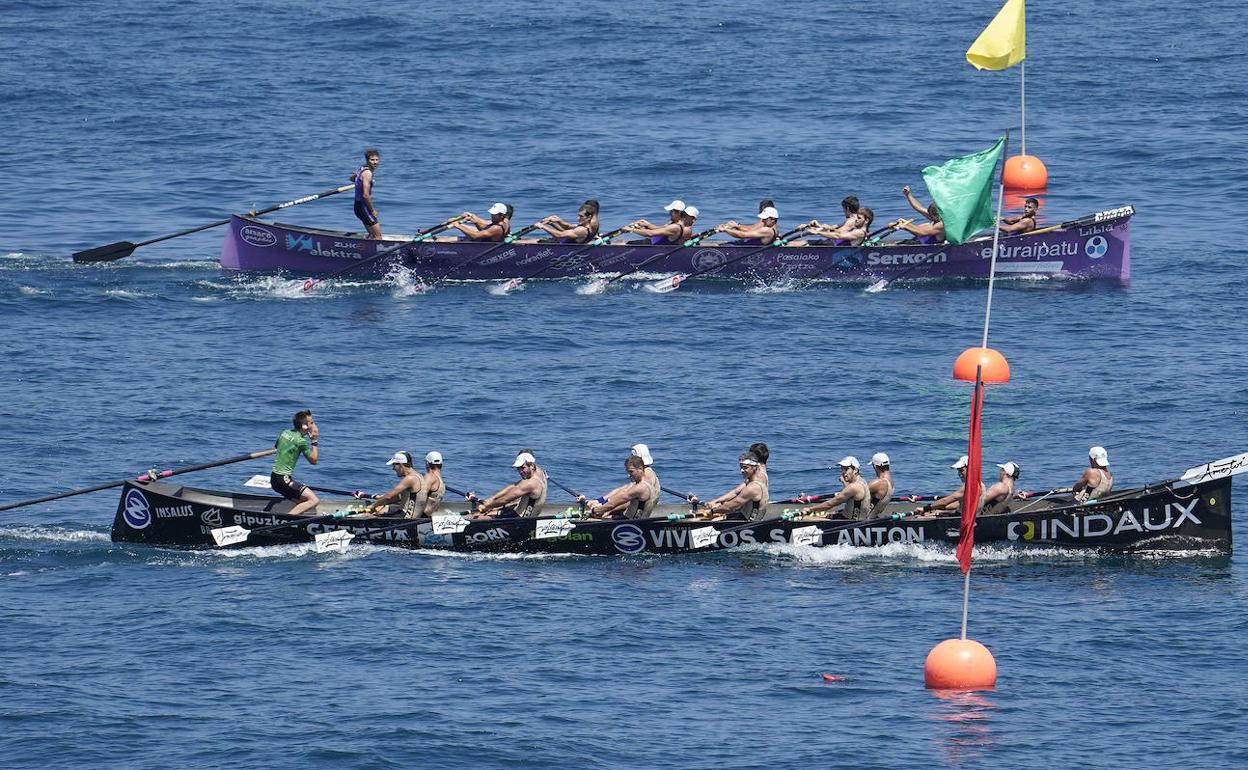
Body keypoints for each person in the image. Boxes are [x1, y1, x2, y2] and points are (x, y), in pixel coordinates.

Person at [691, 450, 769, 521]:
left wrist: (712, 511)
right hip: (743, 515)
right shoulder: (752, 481)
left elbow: (729, 507)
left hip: (747, 523)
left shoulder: (752, 488)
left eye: (745, 468)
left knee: (702, 519)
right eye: (741, 467)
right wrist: (716, 502)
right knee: (708, 515)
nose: (742, 470)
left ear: (754, 468)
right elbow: (735, 493)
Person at [470, 451, 548, 518]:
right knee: (493, 509)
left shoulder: (531, 483)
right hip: (528, 516)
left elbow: (505, 499)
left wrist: (487, 506)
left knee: (478, 517)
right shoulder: (540, 472)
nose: (520, 471)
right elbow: (513, 486)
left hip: (520, 521)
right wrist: (491, 500)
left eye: (522, 468)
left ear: (531, 466)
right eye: (518, 468)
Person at [271, 409, 319, 516]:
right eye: (312, 423)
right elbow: (314, 460)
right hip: (284, 480)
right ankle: (286, 520)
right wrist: (314, 441)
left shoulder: (285, 432)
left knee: (304, 503)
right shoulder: (301, 441)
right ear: (304, 426)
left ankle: (294, 519)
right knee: (314, 500)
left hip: (274, 479)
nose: (314, 425)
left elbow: (277, 446)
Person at [584, 456, 656, 519]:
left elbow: (612, 504)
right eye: (628, 472)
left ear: (640, 469)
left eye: (631, 472)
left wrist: (593, 510)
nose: (629, 475)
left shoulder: (640, 488)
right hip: (636, 518)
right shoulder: (647, 481)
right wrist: (602, 504)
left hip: (632, 523)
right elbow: (623, 493)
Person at [802, 456, 872, 519]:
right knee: (826, 515)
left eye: (846, 469)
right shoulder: (862, 481)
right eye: (842, 469)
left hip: (851, 522)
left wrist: (810, 509)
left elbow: (830, 504)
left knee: (806, 518)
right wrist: (844, 482)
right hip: (855, 517)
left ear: (855, 470)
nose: (843, 472)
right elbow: (849, 494)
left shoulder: (853, 487)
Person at [915, 455, 985, 516]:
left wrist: (925, 508)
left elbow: (945, 501)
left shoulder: (969, 486)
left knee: (922, 517)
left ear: (970, 469)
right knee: (935, 513)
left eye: (961, 470)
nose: (959, 474)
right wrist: (938, 508)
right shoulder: (980, 484)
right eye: (958, 471)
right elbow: (957, 504)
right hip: (967, 516)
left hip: (963, 519)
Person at [366, 451, 427, 518]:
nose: (393, 468)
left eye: (394, 465)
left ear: (400, 465)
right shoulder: (419, 476)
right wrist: (381, 503)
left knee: (367, 516)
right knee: (381, 510)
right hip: (412, 515)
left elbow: (388, 496)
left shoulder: (410, 478)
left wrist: (372, 506)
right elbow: (397, 498)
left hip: (406, 517)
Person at [625, 200, 691, 245]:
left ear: (678, 213)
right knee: (625, 242)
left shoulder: (675, 227)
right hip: (649, 243)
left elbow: (650, 234)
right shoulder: (674, 223)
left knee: (624, 244)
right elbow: (657, 228)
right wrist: (646, 224)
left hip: (651, 246)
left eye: (671, 211)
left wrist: (631, 230)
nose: (669, 213)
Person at [536, 199, 600, 244]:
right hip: (564, 242)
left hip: (560, 246)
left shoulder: (588, 226)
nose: (578, 218)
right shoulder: (588, 224)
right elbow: (568, 228)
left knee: (531, 241)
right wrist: (554, 223)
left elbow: (560, 234)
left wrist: (543, 227)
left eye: (581, 216)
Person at [351, 148, 382, 240]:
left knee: (372, 235)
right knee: (378, 237)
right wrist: (372, 210)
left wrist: (356, 176)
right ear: (367, 160)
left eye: (377, 160)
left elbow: (352, 179)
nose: (375, 162)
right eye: (372, 160)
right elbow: (365, 195)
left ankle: (364, 248)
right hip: (363, 207)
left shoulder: (362, 169)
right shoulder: (368, 173)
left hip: (358, 206)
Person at [805, 208, 875, 246]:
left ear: (866, 221)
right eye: (856, 217)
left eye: (859, 218)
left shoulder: (859, 232)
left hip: (837, 250)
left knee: (804, 243)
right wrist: (819, 227)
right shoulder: (857, 230)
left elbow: (838, 236)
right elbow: (838, 232)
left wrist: (817, 232)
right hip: (835, 246)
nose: (856, 219)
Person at [866, 452, 895, 516]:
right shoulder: (891, 480)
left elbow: (856, 492)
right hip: (874, 514)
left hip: (864, 517)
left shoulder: (879, 483)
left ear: (875, 466)